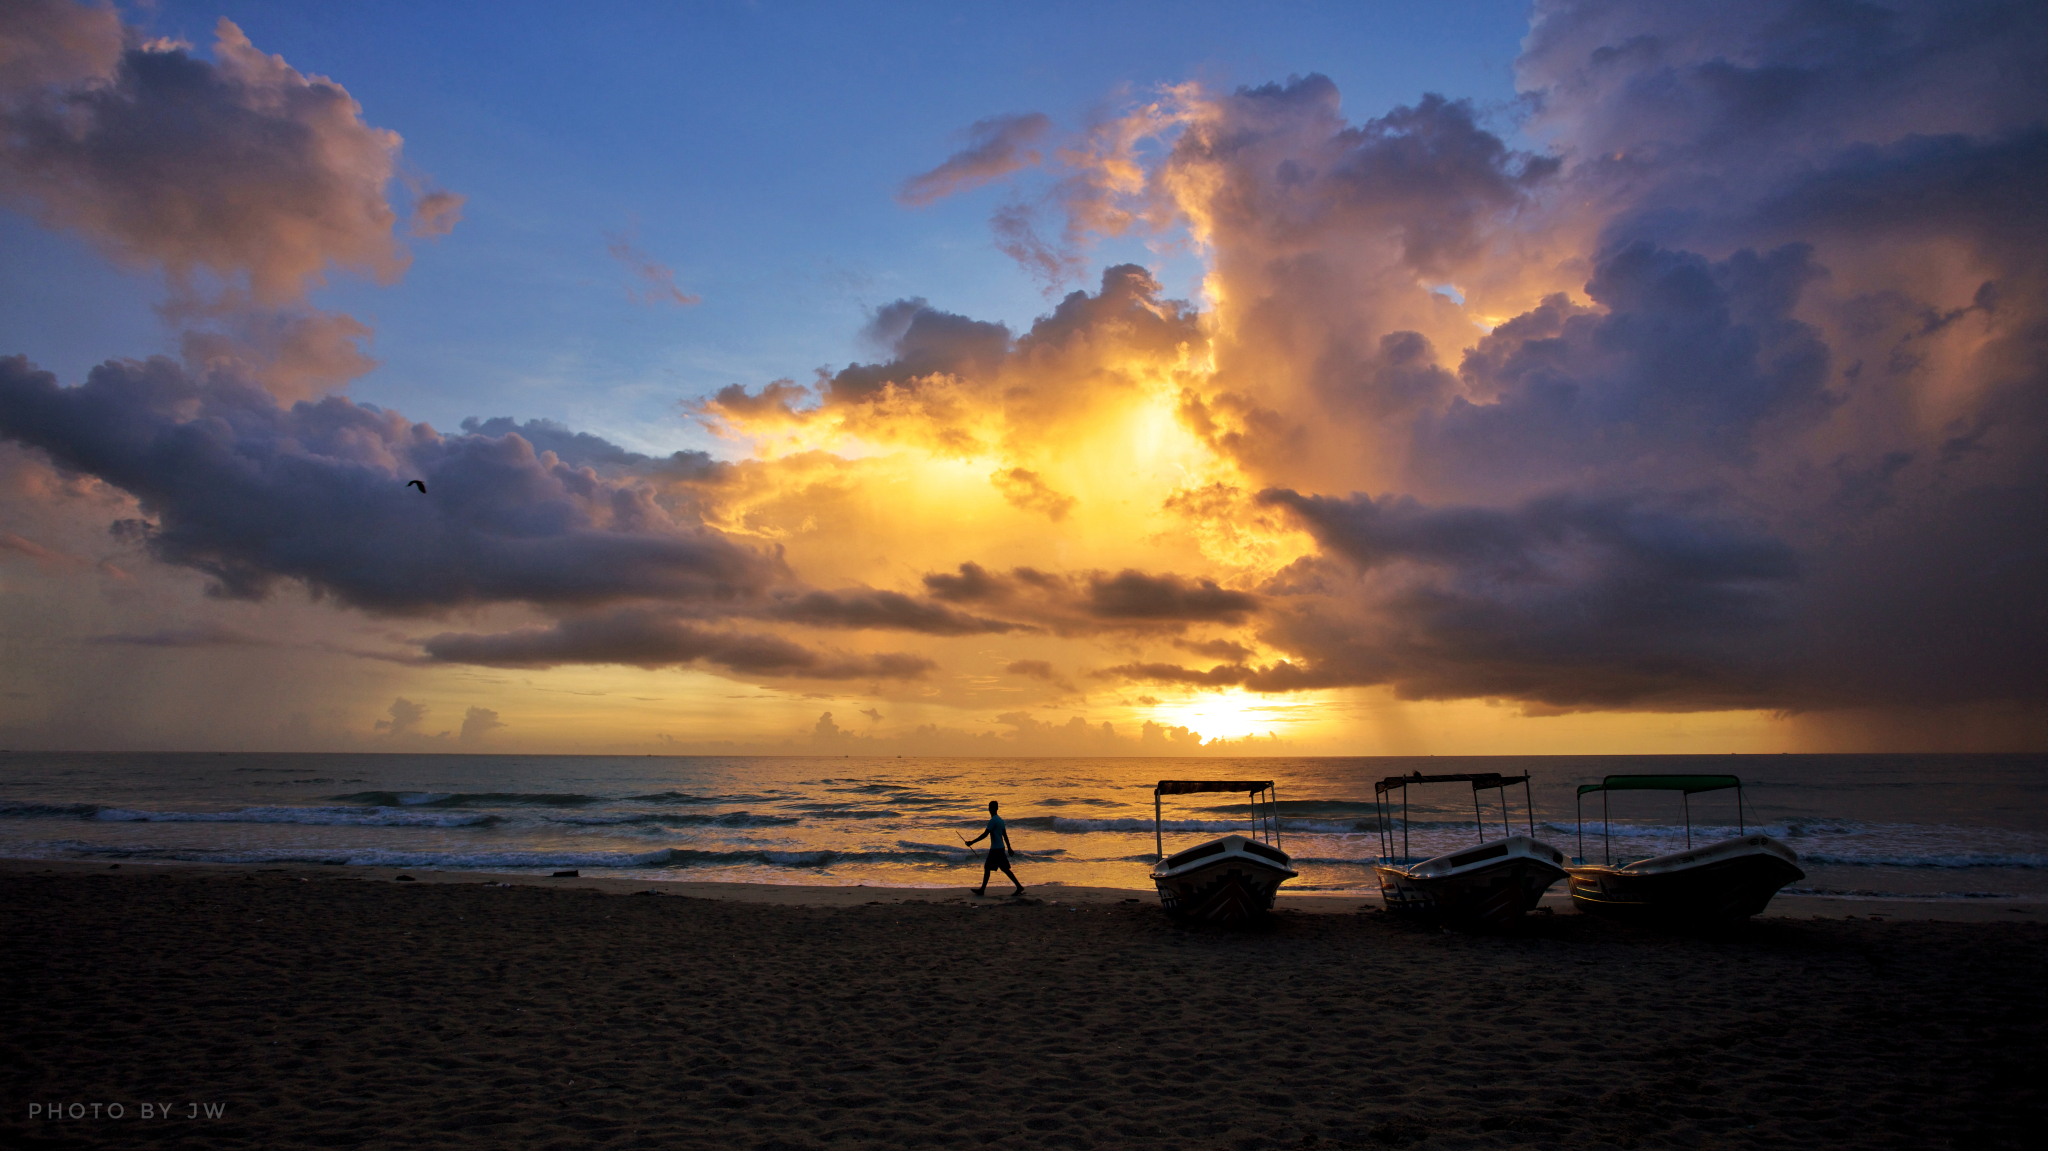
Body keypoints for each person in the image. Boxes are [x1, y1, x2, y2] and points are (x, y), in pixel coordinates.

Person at [966, 799, 1024, 896]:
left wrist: (972, 842)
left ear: (990, 809)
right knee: (995, 868)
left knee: (993, 868)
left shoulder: (993, 821)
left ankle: (1018, 887)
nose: (990, 810)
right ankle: (983, 889)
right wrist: (1009, 847)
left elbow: (985, 834)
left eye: (990, 808)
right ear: (997, 808)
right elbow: (1004, 835)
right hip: (1000, 848)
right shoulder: (1000, 820)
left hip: (996, 849)